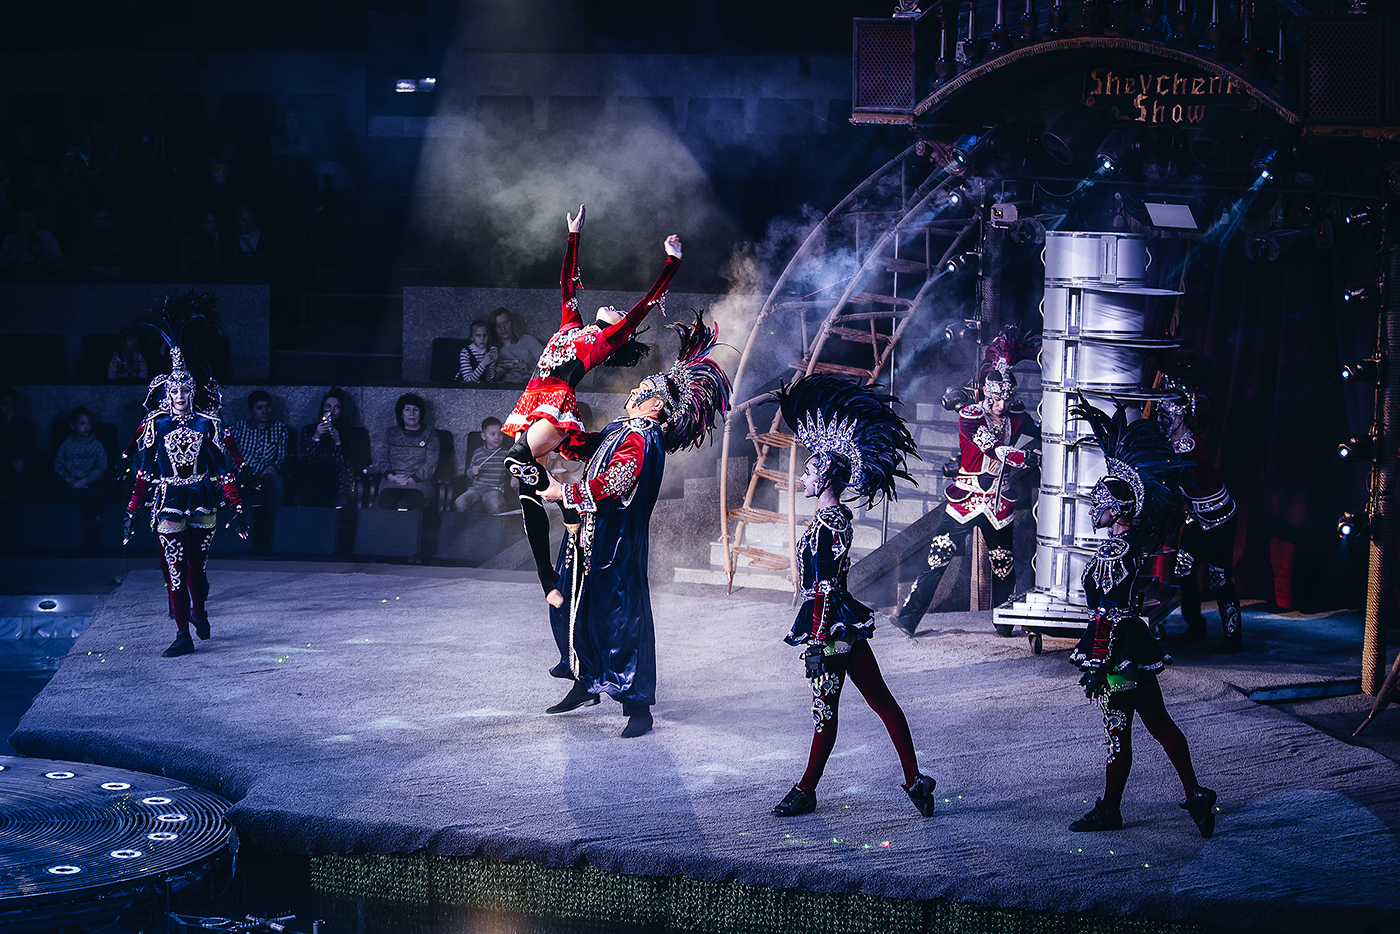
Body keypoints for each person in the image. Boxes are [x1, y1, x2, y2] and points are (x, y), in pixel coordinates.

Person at [541, 312, 729, 738]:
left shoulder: (644, 435)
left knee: (620, 619)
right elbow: (584, 448)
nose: (634, 389)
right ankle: (584, 681)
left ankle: (637, 705)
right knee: (571, 605)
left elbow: (616, 480)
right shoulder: (623, 427)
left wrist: (564, 492)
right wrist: (557, 411)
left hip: (615, 542)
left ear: (656, 404)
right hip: (588, 534)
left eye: (643, 388)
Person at [763, 375, 938, 818]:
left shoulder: (830, 524)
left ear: (825, 475)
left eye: (808, 470)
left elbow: (824, 589)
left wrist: (818, 643)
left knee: (826, 712)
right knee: (879, 702)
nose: (802, 476)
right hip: (840, 626)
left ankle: (806, 790)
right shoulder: (830, 519)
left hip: (832, 629)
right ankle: (915, 780)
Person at [504, 203, 682, 608]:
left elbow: (646, 304)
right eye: (615, 310)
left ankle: (565, 503)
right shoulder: (572, 325)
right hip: (532, 402)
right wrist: (574, 235)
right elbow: (567, 283)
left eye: (617, 313)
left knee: (516, 460)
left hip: (554, 404)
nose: (614, 307)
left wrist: (671, 262)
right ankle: (548, 580)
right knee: (526, 495)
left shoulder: (605, 341)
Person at [1065, 398, 1218, 838]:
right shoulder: (1130, 545)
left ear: (1118, 509)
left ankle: (1111, 810)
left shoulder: (1117, 549)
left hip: (1118, 652)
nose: (1094, 507)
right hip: (1131, 644)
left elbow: (1107, 610)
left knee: (1118, 730)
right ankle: (1194, 794)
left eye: (1100, 501)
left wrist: (1097, 663)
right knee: (1158, 722)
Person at [123, 293, 248, 658]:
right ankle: (182, 634)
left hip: (202, 498)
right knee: (175, 571)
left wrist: (237, 507)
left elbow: (223, 470)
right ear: (167, 392)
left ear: (193, 390)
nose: (179, 394)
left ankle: (199, 612)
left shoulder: (208, 423)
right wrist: (132, 510)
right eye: (173, 389)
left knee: (198, 568)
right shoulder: (156, 424)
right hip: (168, 501)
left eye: (184, 389)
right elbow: (144, 470)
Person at [893, 326, 1040, 634]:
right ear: (987, 393)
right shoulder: (970, 416)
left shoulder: (1015, 414)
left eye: (1007, 399)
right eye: (997, 399)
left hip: (999, 502)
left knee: (1004, 565)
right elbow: (991, 446)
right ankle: (908, 617)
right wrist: (1024, 457)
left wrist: (1045, 444)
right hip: (966, 498)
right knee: (938, 556)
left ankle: (1004, 623)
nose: (1002, 406)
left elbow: (1040, 431)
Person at [1155, 353, 1241, 653]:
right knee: (1183, 570)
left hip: (1219, 520)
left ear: (1180, 416)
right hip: (1196, 518)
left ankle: (1233, 638)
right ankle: (1196, 627)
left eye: (1166, 416)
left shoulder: (1192, 447)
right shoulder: (1171, 444)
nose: (1162, 420)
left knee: (1219, 576)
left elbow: (1175, 472)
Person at [229, 390, 292, 530]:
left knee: (277, 483)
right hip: (241, 474)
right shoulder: (239, 427)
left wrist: (272, 467)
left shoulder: (280, 429)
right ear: (251, 410)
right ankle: (232, 528)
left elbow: (282, 457)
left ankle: (275, 528)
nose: (265, 411)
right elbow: (227, 453)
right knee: (225, 484)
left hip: (264, 475)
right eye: (260, 407)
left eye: (268, 406)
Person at [298, 388, 365, 508]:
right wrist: (316, 437)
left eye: (336, 407)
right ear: (322, 409)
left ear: (341, 410)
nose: (332, 411)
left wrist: (337, 441)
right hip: (313, 476)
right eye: (328, 407)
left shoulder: (348, 433)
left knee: (327, 473)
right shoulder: (309, 430)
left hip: (337, 476)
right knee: (314, 472)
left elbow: (344, 463)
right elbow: (307, 458)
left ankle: (324, 517)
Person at [376, 393, 439, 511]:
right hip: (392, 481)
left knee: (414, 500)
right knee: (387, 500)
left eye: (415, 410)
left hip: (419, 481)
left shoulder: (430, 433)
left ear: (421, 413)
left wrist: (412, 479)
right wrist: (392, 477)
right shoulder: (391, 433)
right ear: (401, 414)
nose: (412, 414)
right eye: (407, 410)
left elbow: (430, 464)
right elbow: (383, 460)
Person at [51, 406, 109, 513]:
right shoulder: (66, 445)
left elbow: (102, 468)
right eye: (82, 424)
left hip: (90, 484)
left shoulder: (97, 445)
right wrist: (73, 482)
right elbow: (58, 468)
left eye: (89, 423)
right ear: (73, 426)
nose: (86, 427)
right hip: (69, 484)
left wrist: (85, 481)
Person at [454, 417, 514, 514]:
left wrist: (514, 478)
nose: (497, 437)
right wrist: (472, 472)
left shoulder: (505, 454)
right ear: (484, 436)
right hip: (476, 489)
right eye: (493, 434)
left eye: (500, 434)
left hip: (494, 490)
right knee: (460, 502)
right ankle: (470, 522)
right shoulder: (478, 453)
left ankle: (494, 523)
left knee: (494, 504)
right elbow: (469, 473)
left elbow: (513, 469)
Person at [73, 208, 137, 278]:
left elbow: (134, 261)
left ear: (112, 219)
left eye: (107, 218)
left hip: (120, 280)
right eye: (99, 219)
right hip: (92, 280)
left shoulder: (124, 238)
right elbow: (75, 263)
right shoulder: (84, 240)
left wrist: (120, 269)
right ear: (92, 221)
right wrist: (89, 268)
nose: (103, 222)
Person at [0, 209, 65, 275]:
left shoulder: (46, 236)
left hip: (41, 275)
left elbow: (62, 267)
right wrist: (19, 248)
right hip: (18, 275)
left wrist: (42, 250)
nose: (27, 224)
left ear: (36, 220)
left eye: (31, 219)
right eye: (23, 220)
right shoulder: (12, 237)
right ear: (17, 222)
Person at [489, 308, 543, 384]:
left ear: (512, 323)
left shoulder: (528, 340)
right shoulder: (492, 349)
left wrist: (529, 371)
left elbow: (548, 365)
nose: (503, 328)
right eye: (498, 325)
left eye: (505, 323)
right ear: (494, 329)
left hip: (531, 384)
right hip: (506, 387)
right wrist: (496, 374)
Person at [179, 210, 223, 279]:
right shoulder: (189, 240)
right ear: (201, 224)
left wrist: (216, 241)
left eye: (214, 221)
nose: (213, 225)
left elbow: (217, 268)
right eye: (208, 222)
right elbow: (182, 264)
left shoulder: (219, 240)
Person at [455, 319, 498, 384]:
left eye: (485, 335)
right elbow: (468, 380)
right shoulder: (465, 352)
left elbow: (489, 379)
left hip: (482, 385)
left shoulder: (491, 349)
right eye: (478, 335)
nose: (482, 339)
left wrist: (493, 362)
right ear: (472, 337)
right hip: (463, 385)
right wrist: (483, 364)